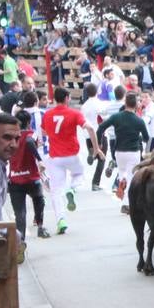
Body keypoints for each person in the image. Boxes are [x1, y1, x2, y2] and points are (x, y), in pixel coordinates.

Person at [42, 86, 102, 235]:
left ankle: (61, 220)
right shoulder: (74, 113)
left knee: (56, 191)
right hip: (71, 155)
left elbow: (43, 132)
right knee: (79, 175)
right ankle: (72, 188)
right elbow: (91, 129)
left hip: (55, 157)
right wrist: (96, 149)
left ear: (55, 98)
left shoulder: (47, 114)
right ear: (67, 98)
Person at [7, 110, 50, 258]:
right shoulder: (31, 134)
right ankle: (40, 226)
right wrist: (39, 159)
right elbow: (30, 142)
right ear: (28, 122)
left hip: (14, 179)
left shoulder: (9, 138)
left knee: (20, 214)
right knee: (39, 201)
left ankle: (21, 242)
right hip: (31, 178)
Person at [98, 92, 149, 214]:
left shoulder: (116, 117)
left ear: (125, 103)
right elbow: (147, 137)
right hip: (133, 151)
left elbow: (101, 127)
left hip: (119, 151)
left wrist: (99, 143)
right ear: (136, 105)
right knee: (132, 177)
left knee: (122, 172)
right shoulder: (139, 121)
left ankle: (122, 183)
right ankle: (126, 204)